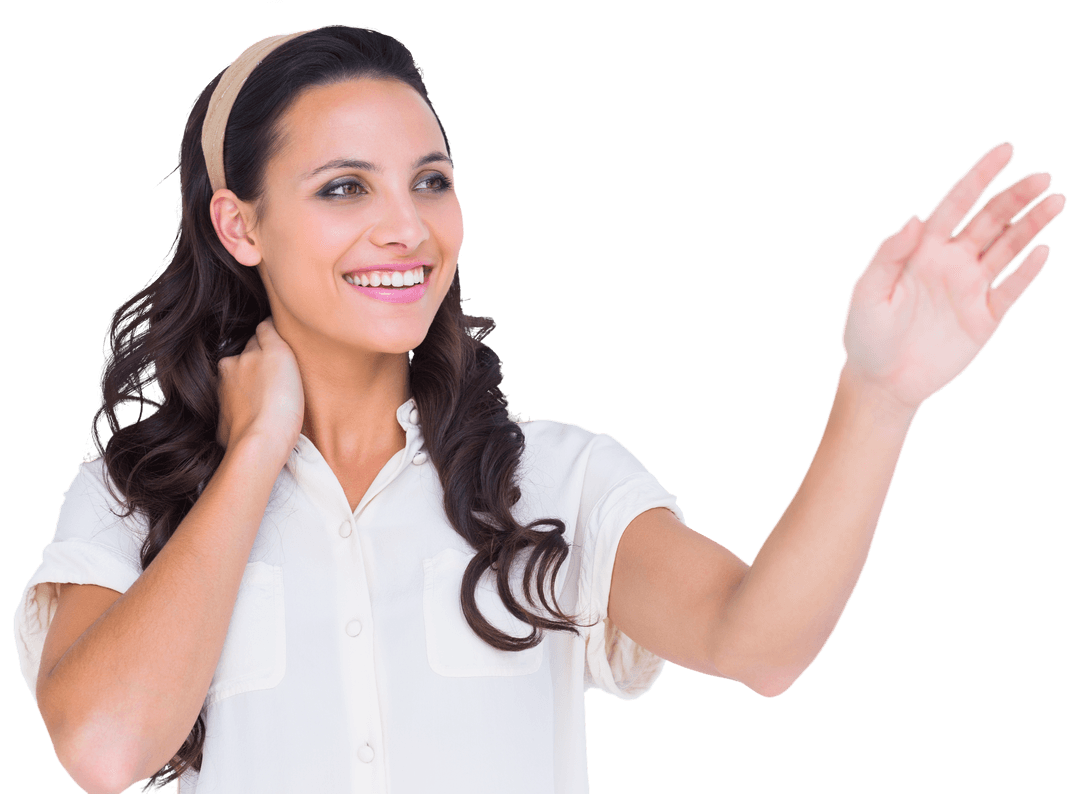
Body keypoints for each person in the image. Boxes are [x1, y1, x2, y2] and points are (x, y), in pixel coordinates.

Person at [11, 23, 1066, 794]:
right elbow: (104, 748)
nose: (406, 228)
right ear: (241, 226)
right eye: (344, 188)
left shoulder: (553, 478)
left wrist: (878, 393)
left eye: (431, 181)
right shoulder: (129, 498)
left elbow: (760, 640)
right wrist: (251, 459)